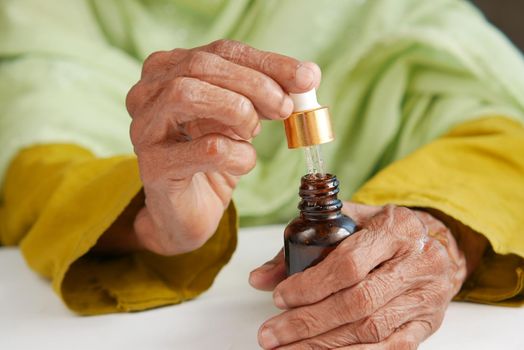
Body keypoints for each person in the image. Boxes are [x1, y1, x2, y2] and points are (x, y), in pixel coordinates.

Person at [1, 0, 523, 348]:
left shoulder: (393, 15)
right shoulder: (42, 17)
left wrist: (437, 231)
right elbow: (35, 157)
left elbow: (502, 134)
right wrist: (147, 217)